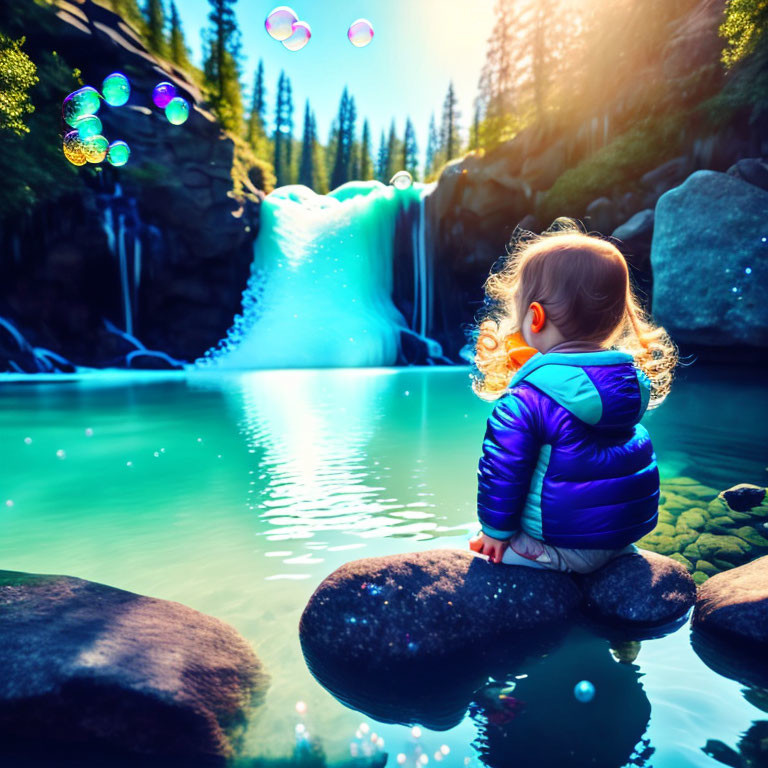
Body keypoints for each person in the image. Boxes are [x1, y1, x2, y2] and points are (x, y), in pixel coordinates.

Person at [469, 222, 677, 573]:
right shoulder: (630, 384)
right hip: (621, 540)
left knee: (478, 552)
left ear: (534, 317)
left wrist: (495, 531)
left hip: (560, 545)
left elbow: (502, 469)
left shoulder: (529, 398)